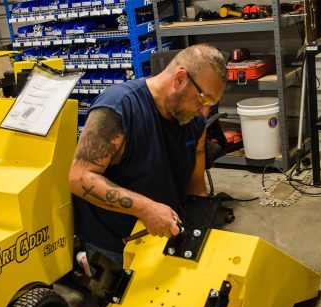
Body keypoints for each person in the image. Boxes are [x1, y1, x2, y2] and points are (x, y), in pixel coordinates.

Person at [69, 44, 227, 274]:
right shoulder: (119, 108)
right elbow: (78, 177)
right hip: (115, 244)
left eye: (211, 104)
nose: (205, 112)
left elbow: (195, 185)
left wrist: (198, 227)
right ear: (180, 79)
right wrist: (145, 208)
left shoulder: (195, 122)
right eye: (203, 99)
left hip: (162, 235)